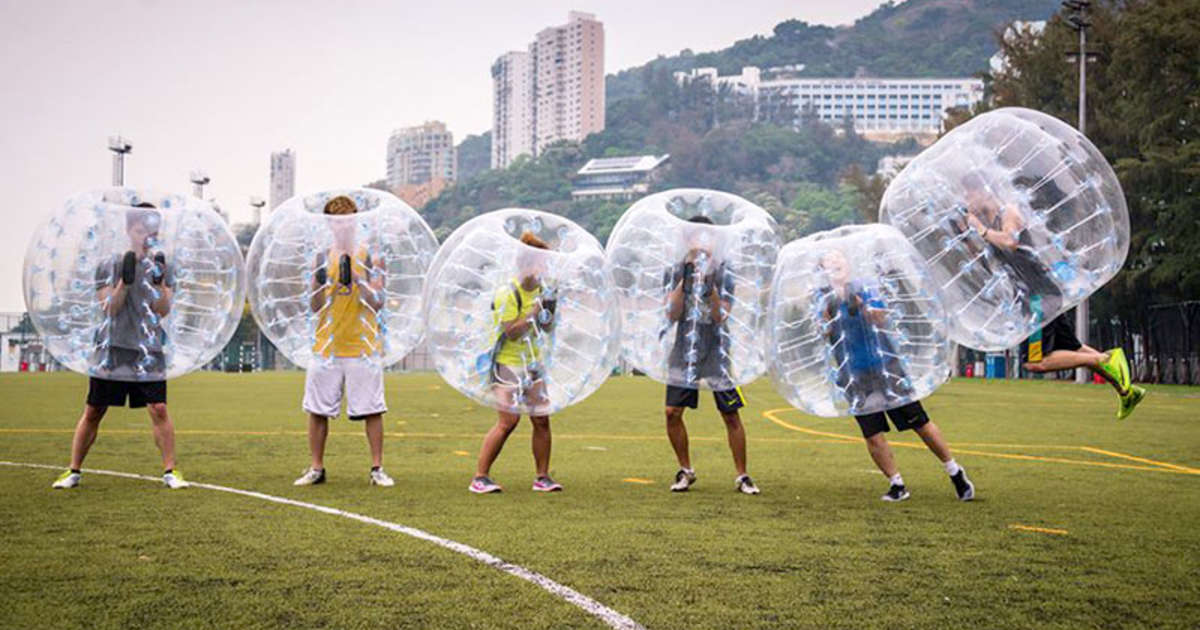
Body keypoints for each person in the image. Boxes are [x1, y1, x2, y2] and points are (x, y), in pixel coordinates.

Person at [961, 176, 1146, 419]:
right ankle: (1127, 391)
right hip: (1034, 294)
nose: (967, 201)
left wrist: (981, 230)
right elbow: (987, 257)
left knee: (1035, 362)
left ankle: (1104, 359)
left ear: (982, 190)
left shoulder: (1009, 212)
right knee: (1074, 348)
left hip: (1040, 294)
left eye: (968, 194)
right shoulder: (988, 222)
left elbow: (1011, 241)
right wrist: (968, 236)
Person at [817, 249, 974, 502]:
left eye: (838, 257)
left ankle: (955, 472)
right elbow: (823, 333)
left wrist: (862, 304)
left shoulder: (864, 287)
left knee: (919, 422)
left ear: (848, 262)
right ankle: (897, 484)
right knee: (872, 432)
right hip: (854, 374)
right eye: (828, 260)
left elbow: (881, 318)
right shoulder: (823, 299)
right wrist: (826, 317)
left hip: (886, 366)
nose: (834, 262)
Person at [53, 203, 188, 490]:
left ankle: (170, 471)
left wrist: (161, 282)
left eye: (151, 231)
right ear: (129, 231)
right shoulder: (110, 264)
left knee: (159, 408)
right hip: (112, 347)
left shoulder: (163, 265)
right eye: (140, 230)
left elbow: (162, 310)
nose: (146, 236)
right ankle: (73, 471)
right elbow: (109, 309)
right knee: (94, 410)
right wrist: (124, 282)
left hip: (147, 348)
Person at [293, 195, 394, 487]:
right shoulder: (321, 258)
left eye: (347, 222)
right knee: (317, 409)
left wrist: (359, 280)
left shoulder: (372, 257)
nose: (342, 228)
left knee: (372, 408)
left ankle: (377, 468)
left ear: (355, 221)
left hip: (363, 345)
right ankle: (316, 468)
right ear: (329, 225)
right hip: (327, 345)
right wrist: (322, 284)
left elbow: (378, 303)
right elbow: (313, 306)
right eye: (336, 223)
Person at [662, 216, 759, 495]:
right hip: (684, 347)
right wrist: (687, 279)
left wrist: (710, 287)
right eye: (695, 236)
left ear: (715, 240)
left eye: (707, 237)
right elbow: (672, 313)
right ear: (687, 240)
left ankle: (742, 475)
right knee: (672, 412)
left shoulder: (725, 272)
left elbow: (720, 315)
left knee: (730, 413)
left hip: (716, 347)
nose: (701, 243)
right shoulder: (675, 270)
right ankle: (686, 470)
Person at [470, 232, 560, 494]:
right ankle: (480, 476)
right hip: (507, 363)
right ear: (527, 264)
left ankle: (542, 477)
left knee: (541, 419)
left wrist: (547, 313)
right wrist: (534, 310)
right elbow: (511, 331)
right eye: (541, 263)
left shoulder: (543, 291)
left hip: (533, 362)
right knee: (508, 421)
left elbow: (546, 328)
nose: (545, 268)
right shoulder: (507, 293)